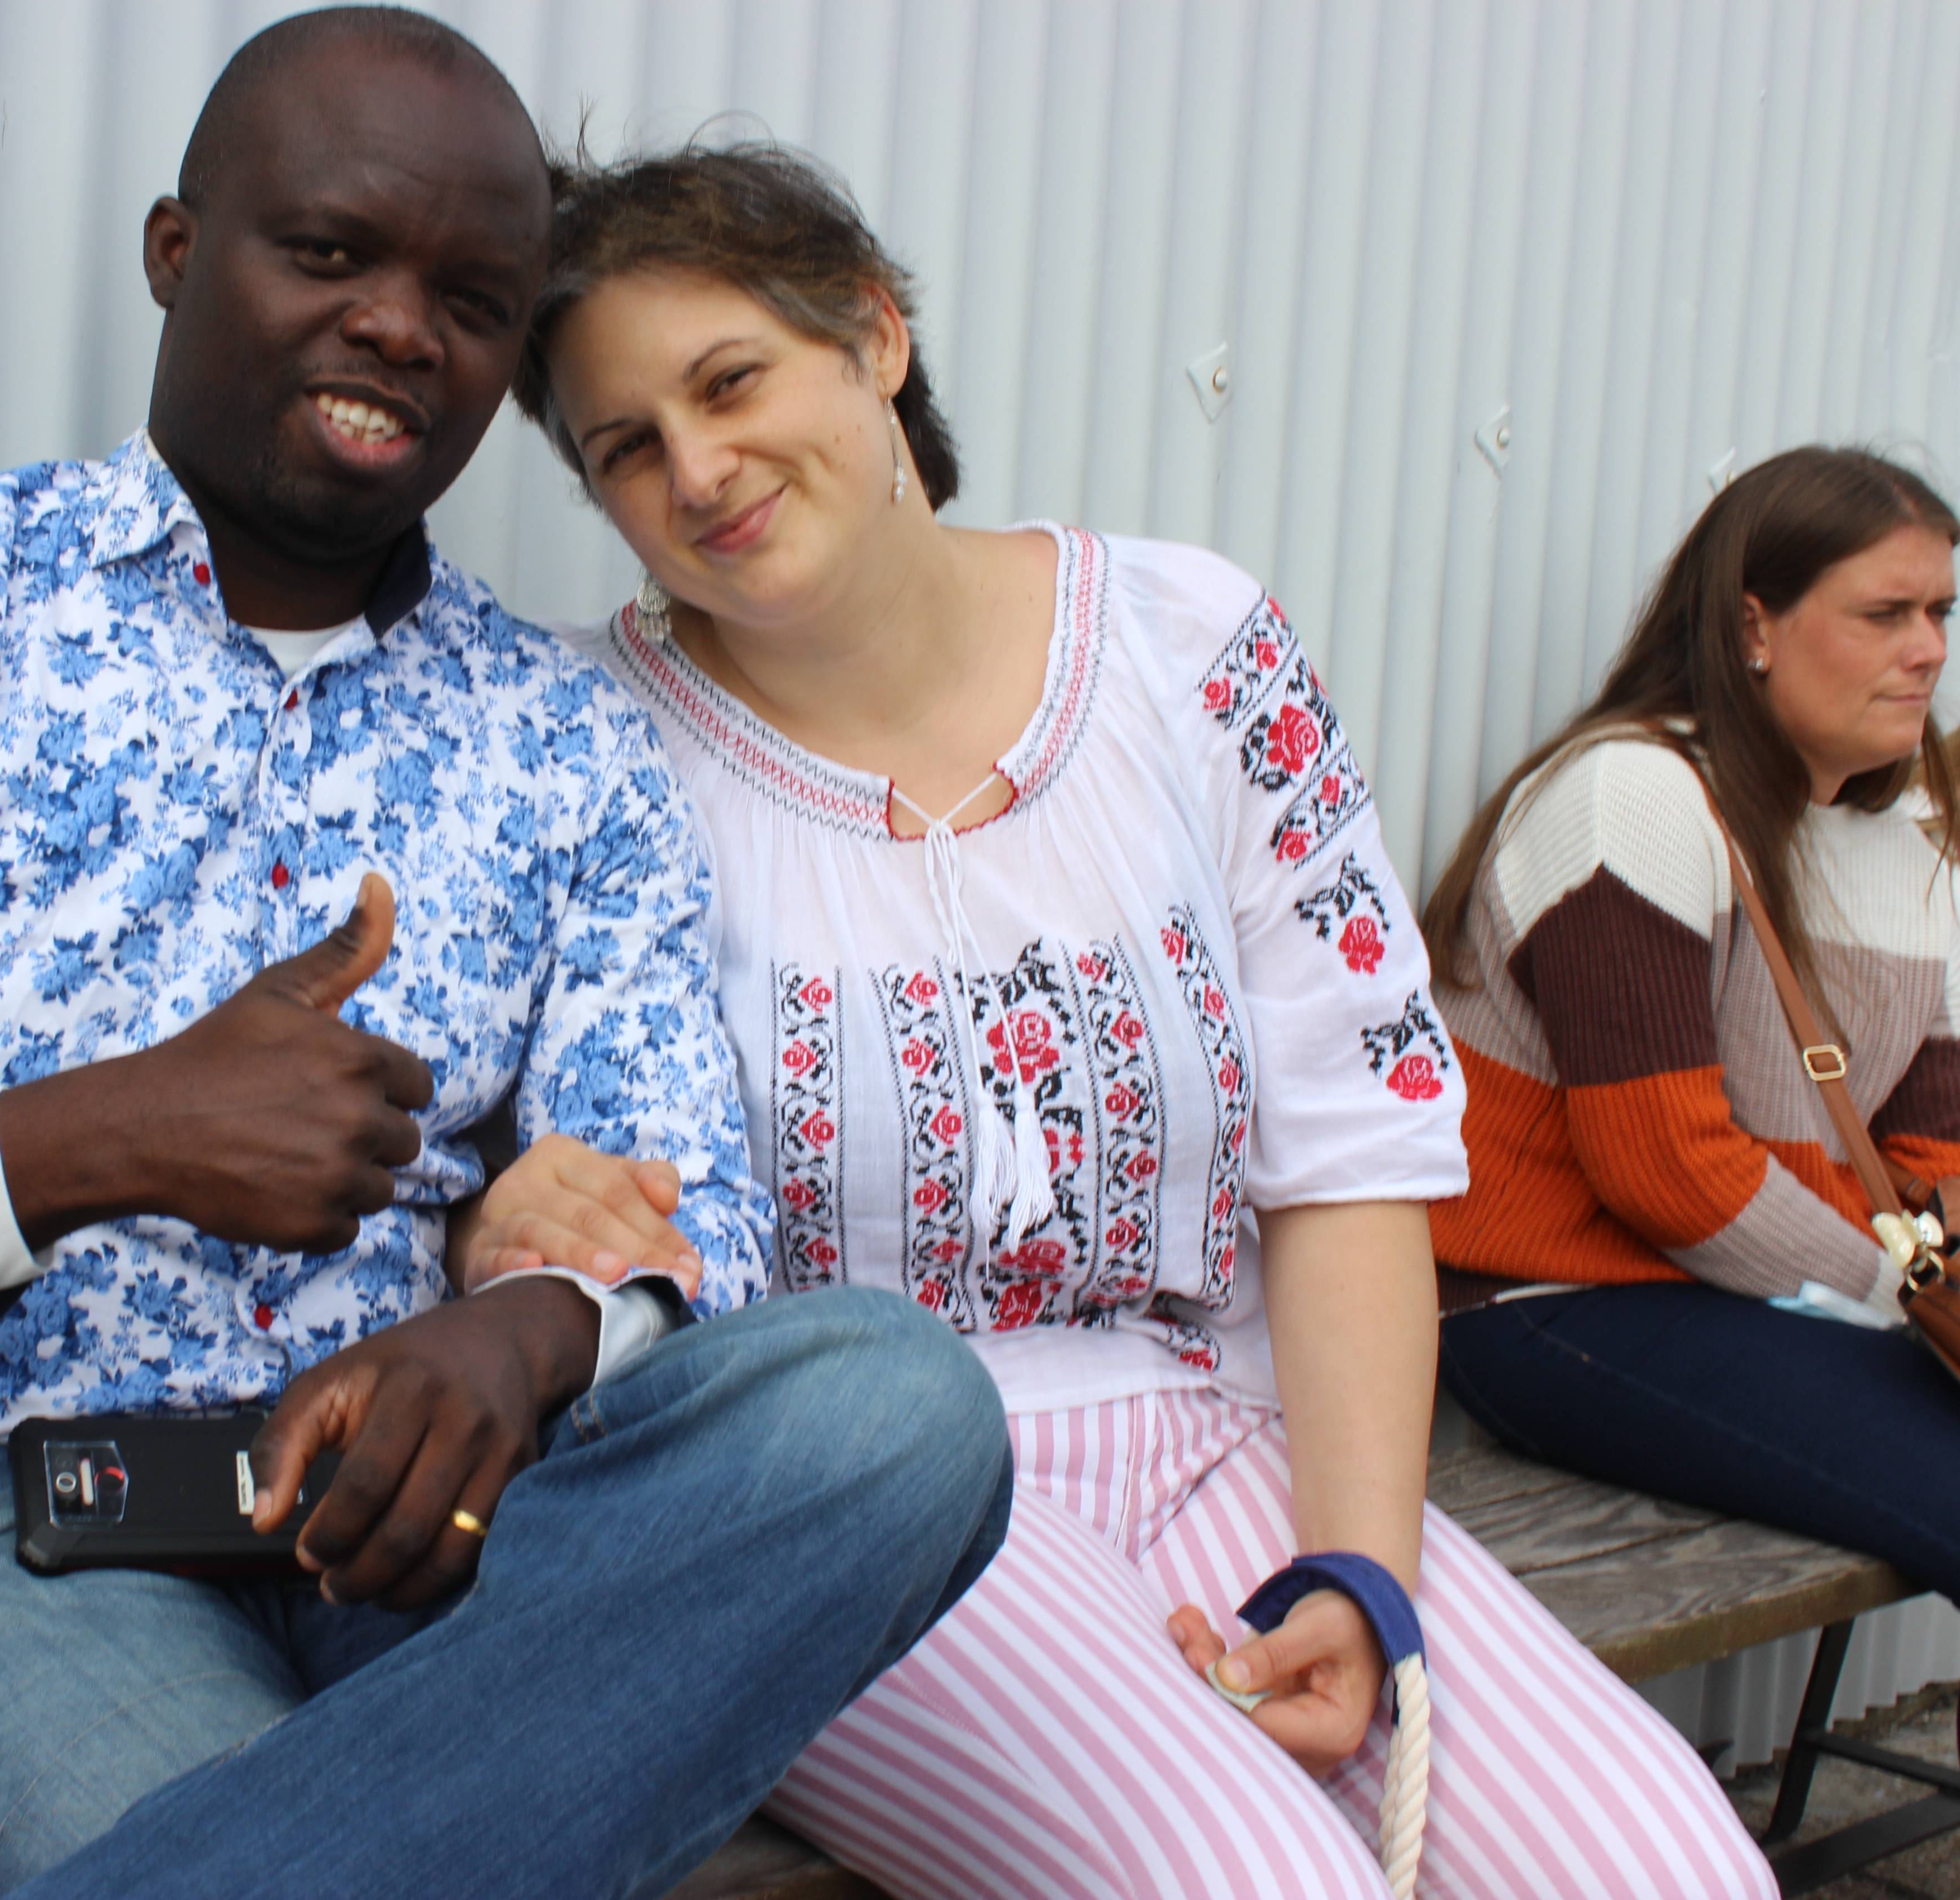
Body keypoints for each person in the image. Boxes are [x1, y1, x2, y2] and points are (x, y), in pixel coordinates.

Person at [0, 16, 1010, 1900]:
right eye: (328, 252)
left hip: (418, 1532)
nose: (401, 326)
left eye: (472, 301)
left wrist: (529, 1334)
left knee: (888, 1410)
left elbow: (691, 1211)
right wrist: (99, 1137)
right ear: (178, 252)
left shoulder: (558, 742)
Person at [499, 142, 1776, 1897]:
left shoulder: (1191, 648)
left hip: (1221, 1428)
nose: (698, 471)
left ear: (873, 335)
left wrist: (1359, 1570)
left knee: (1671, 1875)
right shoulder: (582, 747)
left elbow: (1346, 1150)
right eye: (626, 448)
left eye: (731, 383)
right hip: (849, 1510)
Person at [1424, 447, 1960, 1598]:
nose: (1929, 649)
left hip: (1780, 1295)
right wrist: (1903, 1294)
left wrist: (1934, 1261)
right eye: (1885, 615)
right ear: (1754, 626)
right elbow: (1665, 1169)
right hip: (1554, 1300)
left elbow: (1930, 1148)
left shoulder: (1910, 833)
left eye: (1940, 613)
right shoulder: (1633, 798)